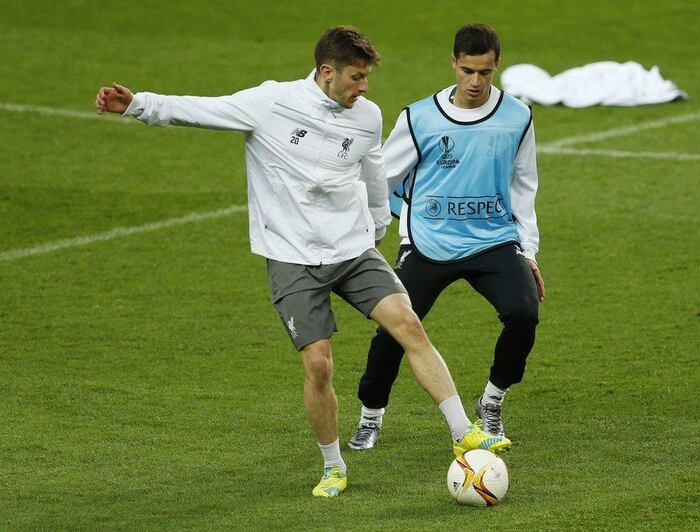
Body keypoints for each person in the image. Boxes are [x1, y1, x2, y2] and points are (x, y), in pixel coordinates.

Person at [95, 26, 508, 498]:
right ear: (327, 72)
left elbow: (374, 169)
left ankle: (463, 431)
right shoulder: (271, 104)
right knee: (319, 364)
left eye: (367, 77)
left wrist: (376, 224)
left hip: (352, 250)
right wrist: (136, 104)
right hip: (292, 256)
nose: (364, 87)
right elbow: (200, 110)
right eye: (356, 77)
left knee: (408, 324)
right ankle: (334, 466)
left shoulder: (367, 116)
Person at [348, 24, 545, 451]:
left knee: (524, 312)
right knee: (394, 330)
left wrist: (527, 251)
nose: (476, 83)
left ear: (497, 67)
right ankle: (370, 415)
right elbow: (383, 179)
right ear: (454, 62)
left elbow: (524, 186)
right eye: (469, 71)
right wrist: (375, 231)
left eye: (486, 73)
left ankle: (491, 402)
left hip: (493, 240)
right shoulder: (419, 118)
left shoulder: (517, 117)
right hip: (428, 244)